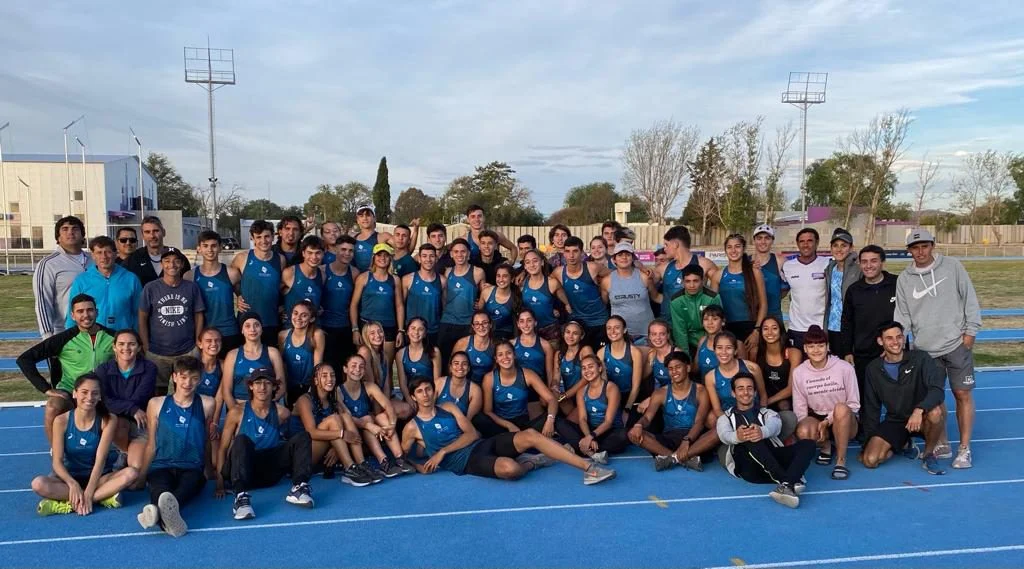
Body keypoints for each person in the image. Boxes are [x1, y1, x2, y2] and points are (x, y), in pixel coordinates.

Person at [401, 376, 616, 484]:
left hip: (480, 444)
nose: (426, 394)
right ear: (413, 397)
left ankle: (588, 468)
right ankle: (532, 462)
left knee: (531, 435)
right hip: (467, 463)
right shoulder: (412, 428)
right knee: (511, 470)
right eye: (420, 392)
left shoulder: (447, 407)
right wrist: (419, 466)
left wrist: (442, 451)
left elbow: (472, 434)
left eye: (428, 389)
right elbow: (402, 456)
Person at [895, 228, 981, 469]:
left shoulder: (953, 267)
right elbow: (902, 316)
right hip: (925, 350)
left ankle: (964, 449)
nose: (920, 251)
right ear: (909, 251)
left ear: (932, 245)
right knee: (936, 398)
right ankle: (942, 442)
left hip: (955, 344)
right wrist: (901, 343)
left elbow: (970, 299)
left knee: (962, 394)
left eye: (924, 246)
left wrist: (970, 334)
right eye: (915, 247)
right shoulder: (905, 279)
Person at [214, 368, 315, 520]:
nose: (262, 387)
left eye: (267, 383)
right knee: (241, 440)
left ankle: (299, 487)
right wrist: (220, 483)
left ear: (274, 387)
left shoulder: (282, 413)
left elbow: (292, 444)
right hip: (245, 470)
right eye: (258, 383)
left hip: (270, 472)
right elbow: (223, 449)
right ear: (250, 386)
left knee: (303, 436)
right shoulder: (236, 412)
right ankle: (241, 499)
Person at [31, 373, 138, 516]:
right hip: (69, 479)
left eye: (95, 393)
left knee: (131, 473)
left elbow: (100, 460)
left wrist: (89, 492)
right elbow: (57, 461)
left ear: (100, 397)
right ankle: (102, 497)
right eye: (84, 392)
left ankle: (72, 502)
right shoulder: (61, 421)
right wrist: (72, 483)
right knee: (38, 484)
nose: (89, 397)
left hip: (99, 478)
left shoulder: (108, 419)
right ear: (75, 393)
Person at [136, 356, 217, 537]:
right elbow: (151, 443)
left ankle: (155, 514)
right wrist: (142, 476)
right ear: (174, 377)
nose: (188, 383)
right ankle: (165, 516)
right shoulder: (156, 404)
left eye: (194, 378)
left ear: (200, 379)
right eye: (183, 377)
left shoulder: (208, 403)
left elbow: (206, 439)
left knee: (186, 489)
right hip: (161, 465)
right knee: (159, 489)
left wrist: (209, 470)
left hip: (191, 467)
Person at [18, 294, 115, 444]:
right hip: (70, 392)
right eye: (80, 311)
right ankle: (58, 453)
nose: (85, 315)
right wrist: (46, 389)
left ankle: (119, 449)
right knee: (52, 406)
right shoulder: (63, 339)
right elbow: (24, 359)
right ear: (73, 315)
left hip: (103, 394)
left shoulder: (113, 337)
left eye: (89, 310)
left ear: (97, 312)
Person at [860, 322, 948, 475]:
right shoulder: (873, 369)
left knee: (936, 412)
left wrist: (919, 410)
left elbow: (937, 390)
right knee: (870, 460)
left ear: (904, 338)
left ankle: (928, 455)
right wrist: (868, 441)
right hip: (896, 420)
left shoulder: (921, 358)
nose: (895, 342)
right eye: (889, 338)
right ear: (880, 341)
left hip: (922, 417)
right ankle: (904, 444)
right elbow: (871, 407)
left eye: (899, 337)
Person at [717, 373, 816, 509]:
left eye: (749, 388)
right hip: (749, 468)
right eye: (740, 388)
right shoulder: (725, 418)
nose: (745, 392)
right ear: (733, 393)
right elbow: (724, 435)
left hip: (772, 459)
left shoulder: (767, 413)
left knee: (808, 444)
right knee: (749, 435)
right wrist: (738, 436)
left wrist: (762, 432)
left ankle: (786, 485)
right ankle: (788, 480)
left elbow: (775, 425)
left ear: (755, 392)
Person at [792, 325, 861, 481]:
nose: (816, 350)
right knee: (803, 430)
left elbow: (854, 404)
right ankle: (826, 446)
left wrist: (827, 421)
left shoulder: (845, 368)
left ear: (828, 347)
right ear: (805, 348)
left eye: (820, 346)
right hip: (817, 416)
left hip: (844, 419)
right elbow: (800, 408)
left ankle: (841, 460)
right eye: (811, 346)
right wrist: (808, 428)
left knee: (841, 408)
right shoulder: (799, 373)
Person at [293, 363, 377, 487]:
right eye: (324, 376)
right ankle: (349, 469)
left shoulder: (333, 402)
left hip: (320, 452)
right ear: (316, 380)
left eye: (332, 376)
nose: (330, 379)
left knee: (345, 417)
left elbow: (345, 422)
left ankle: (361, 464)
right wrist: (341, 434)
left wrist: (336, 449)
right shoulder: (304, 400)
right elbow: (311, 432)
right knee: (333, 419)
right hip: (301, 456)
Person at [629, 351, 711, 471]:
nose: (674, 372)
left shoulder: (700, 390)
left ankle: (670, 458)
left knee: (718, 431)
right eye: (670, 369)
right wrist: (638, 424)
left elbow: (700, 422)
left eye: (678, 367)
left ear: (687, 368)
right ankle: (681, 458)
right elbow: (647, 417)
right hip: (669, 438)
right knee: (633, 434)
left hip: (693, 438)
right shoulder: (660, 393)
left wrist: (686, 440)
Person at [139, 249, 205, 396]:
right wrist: (145, 344)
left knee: (187, 391)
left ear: (181, 264)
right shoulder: (151, 288)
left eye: (176, 261)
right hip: (157, 351)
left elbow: (198, 314)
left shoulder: (191, 287)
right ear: (162, 264)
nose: (172, 265)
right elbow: (142, 317)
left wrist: (197, 341)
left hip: (187, 349)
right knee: (157, 392)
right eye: (167, 261)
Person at [338, 354, 416, 478]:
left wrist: (392, 424)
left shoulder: (369, 386)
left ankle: (399, 458)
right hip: (353, 433)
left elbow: (388, 405)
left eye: (361, 367)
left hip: (371, 431)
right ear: (345, 369)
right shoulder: (338, 391)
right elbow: (347, 417)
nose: (357, 369)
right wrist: (369, 425)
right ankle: (383, 461)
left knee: (382, 417)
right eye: (353, 366)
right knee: (367, 419)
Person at [838, 245, 899, 396]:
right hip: (864, 355)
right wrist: (847, 351)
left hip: (894, 351)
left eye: (873, 261)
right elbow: (847, 322)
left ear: (882, 262)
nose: (868, 265)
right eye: (864, 262)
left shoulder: (897, 284)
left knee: (898, 398)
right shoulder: (854, 290)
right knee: (867, 400)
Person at [95, 329, 157, 473]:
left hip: (139, 423)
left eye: (131, 344)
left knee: (137, 467)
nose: (126, 348)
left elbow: (140, 397)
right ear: (114, 347)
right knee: (118, 423)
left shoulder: (149, 368)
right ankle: (122, 451)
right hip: (114, 423)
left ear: (139, 347)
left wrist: (128, 407)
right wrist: (132, 409)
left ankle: (127, 452)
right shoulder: (103, 370)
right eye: (121, 344)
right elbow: (104, 400)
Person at [473, 340, 559, 439]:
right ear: (496, 359)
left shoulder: (527, 374)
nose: (505, 357)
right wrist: (508, 425)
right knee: (479, 419)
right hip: (501, 425)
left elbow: (551, 399)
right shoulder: (489, 378)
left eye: (508, 353)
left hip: (523, 423)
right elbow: (488, 411)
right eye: (500, 355)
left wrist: (550, 420)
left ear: (514, 355)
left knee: (556, 419)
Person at [556, 354, 629, 463]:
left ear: (599, 368)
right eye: (584, 368)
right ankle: (592, 452)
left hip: (609, 431)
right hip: (590, 431)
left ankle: (581, 448)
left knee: (623, 436)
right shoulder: (581, 391)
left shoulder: (611, 388)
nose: (587, 371)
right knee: (559, 423)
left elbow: (608, 422)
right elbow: (582, 419)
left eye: (590, 366)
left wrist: (591, 437)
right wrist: (588, 436)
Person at [351, 242, 406, 376]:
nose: (382, 258)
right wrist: (355, 329)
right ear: (374, 258)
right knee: (366, 365)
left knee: (385, 366)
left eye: (386, 255)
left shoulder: (395, 280)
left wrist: (400, 330)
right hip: (367, 326)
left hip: (388, 326)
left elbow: (399, 305)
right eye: (379, 255)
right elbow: (353, 305)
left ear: (390, 259)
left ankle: (387, 393)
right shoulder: (364, 278)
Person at [66, 236, 141, 332]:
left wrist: (136, 337)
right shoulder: (81, 280)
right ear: (92, 255)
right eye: (99, 252)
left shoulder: (131, 279)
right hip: (91, 338)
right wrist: (69, 338)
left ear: (115, 254)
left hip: (122, 339)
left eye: (108, 252)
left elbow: (138, 313)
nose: (104, 257)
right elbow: (71, 312)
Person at [34, 216, 92, 338]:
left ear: (82, 235)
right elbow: (43, 302)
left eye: (75, 229)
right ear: (58, 237)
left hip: (96, 330)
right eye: (65, 229)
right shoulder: (48, 264)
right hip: (63, 331)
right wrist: (48, 336)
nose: (70, 232)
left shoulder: (95, 260)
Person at [186, 230, 241, 355]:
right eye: (205, 246)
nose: (210, 250)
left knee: (229, 370)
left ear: (220, 248)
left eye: (214, 245)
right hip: (204, 334)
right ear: (198, 249)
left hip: (229, 332)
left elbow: (243, 298)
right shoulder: (190, 276)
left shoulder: (231, 273)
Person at [710, 234, 767, 355]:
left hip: (750, 328)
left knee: (749, 368)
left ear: (743, 248)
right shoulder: (718, 275)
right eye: (729, 247)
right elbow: (713, 308)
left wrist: (756, 331)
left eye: (737, 246)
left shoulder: (754, 272)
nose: (733, 250)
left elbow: (763, 304)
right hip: (727, 328)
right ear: (725, 250)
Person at [233, 220, 286, 347]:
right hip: (246, 321)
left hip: (270, 320)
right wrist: (239, 295)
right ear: (252, 239)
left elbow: (284, 286)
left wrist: (283, 305)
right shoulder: (242, 258)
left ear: (273, 237)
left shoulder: (280, 259)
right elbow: (231, 280)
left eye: (267, 236)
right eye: (259, 237)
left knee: (269, 359)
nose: (263, 241)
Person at [704, 331, 768, 431]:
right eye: (719, 348)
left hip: (753, 412)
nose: (724, 352)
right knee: (711, 418)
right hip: (729, 416)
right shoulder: (710, 377)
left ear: (735, 351)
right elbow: (717, 409)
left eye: (728, 348)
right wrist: (732, 423)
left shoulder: (752, 368)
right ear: (714, 350)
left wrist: (762, 415)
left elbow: (763, 395)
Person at [221, 312, 286, 409]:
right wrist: (236, 413)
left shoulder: (272, 353)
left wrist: (264, 407)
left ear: (261, 329)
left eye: (256, 325)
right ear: (242, 330)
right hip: (238, 406)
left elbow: (281, 386)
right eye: (247, 326)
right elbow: (226, 391)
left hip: (265, 407)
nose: (252, 329)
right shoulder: (232, 355)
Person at [438, 238, 485, 370]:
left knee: (465, 361)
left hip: (467, 324)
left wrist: (479, 304)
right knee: (445, 360)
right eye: (456, 252)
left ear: (469, 254)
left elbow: (484, 296)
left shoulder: (478, 272)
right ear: (451, 254)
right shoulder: (448, 272)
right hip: (448, 322)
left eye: (463, 251)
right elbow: (444, 297)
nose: (460, 255)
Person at [656, 226, 718, 321]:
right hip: (668, 326)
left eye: (666, 245)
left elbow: (720, 289)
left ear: (675, 244)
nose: (664, 249)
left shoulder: (703, 264)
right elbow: (644, 279)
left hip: (693, 325)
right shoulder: (664, 268)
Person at [782, 228, 830, 351]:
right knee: (796, 367)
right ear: (797, 243)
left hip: (821, 327)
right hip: (796, 328)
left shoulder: (828, 264)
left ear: (817, 243)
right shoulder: (788, 266)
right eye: (802, 241)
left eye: (810, 241)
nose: (806, 244)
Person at [557, 236, 609, 350]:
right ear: (563, 253)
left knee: (601, 358)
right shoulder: (559, 272)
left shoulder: (593, 268)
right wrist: (564, 303)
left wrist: (603, 291)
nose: (571, 255)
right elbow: (548, 286)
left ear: (582, 253)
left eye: (575, 251)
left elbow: (615, 275)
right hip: (577, 324)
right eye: (567, 251)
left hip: (599, 321)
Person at [356, 321, 414, 420]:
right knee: (400, 411)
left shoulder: (384, 355)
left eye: (380, 331)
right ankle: (377, 418)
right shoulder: (365, 352)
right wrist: (380, 410)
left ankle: (380, 418)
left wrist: (386, 406)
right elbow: (372, 387)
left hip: (381, 399)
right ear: (366, 336)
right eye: (372, 333)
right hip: (367, 401)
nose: (377, 335)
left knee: (408, 409)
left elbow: (387, 385)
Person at [602, 242, 657, 345]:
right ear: (614, 259)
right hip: (620, 335)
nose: (624, 257)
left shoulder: (644, 276)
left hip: (646, 334)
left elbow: (656, 297)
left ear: (632, 258)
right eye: (620, 255)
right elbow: (604, 304)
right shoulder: (607, 281)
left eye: (627, 254)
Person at [320, 234, 359, 371]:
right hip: (325, 328)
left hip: (346, 328)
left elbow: (356, 303)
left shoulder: (354, 273)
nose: (347, 254)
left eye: (350, 251)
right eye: (343, 249)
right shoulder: (323, 271)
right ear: (336, 249)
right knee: (328, 368)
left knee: (346, 369)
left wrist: (355, 329)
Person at [596, 315, 644, 424]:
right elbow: (604, 384)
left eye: (617, 327)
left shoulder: (634, 352)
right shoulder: (601, 353)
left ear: (624, 330)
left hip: (631, 398)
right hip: (611, 397)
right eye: (609, 328)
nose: (612, 331)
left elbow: (636, 387)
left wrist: (627, 409)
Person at [279, 300, 326, 407]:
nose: (298, 318)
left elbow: (317, 366)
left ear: (312, 318)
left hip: (308, 386)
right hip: (290, 387)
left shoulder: (317, 335)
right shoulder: (283, 336)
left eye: (304, 315)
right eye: (295, 313)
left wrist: (312, 391)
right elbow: (283, 366)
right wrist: (284, 390)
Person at [753, 316, 802, 417]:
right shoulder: (755, 352)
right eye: (765, 329)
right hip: (763, 396)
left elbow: (791, 388)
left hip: (785, 398)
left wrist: (767, 402)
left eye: (774, 328)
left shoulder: (793, 353)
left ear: (781, 331)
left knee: (784, 405)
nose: (770, 332)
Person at [520, 249, 571, 343]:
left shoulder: (552, 283)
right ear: (525, 266)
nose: (532, 265)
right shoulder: (522, 284)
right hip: (530, 331)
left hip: (550, 330)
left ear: (542, 262)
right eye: (528, 262)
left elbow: (566, 303)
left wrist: (557, 309)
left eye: (535, 261)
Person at [670, 265, 722, 355]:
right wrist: (685, 358)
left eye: (696, 281)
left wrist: (710, 346)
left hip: (710, 341)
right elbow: (680, 331)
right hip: (688, 343)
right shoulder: (676, 301)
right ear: (682, 282)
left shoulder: (713, 298)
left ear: (702, 281)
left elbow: (718, 326)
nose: (692, 285)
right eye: (688, 281)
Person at [823, 228, 862, 347]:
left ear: (851, 247)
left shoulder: (859, 269)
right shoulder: (830, 269)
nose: (839, 249)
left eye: (843, 245)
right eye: (835, 245)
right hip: (832, 327)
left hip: (852, 329)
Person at [125, 216, 190, 287]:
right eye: (147, 232)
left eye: (156, 231)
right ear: (142, 236)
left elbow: (187, 286)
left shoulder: (178, 258)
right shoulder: (133, 260)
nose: (152, 236)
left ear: (164, 232)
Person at [403, 243, 445, 347]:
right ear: (419, 259)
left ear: (436, 258)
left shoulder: (443, 280)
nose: (428, 259)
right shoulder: (408, 279)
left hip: (433, 331)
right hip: (412, 331)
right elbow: (400, 306)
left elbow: (444, 307)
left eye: (431, 256)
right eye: (424, 256)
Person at [512, 309, 556, 401]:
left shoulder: (545, 345)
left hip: (538, 388)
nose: (525, 325)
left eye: (529, 320)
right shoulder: (512, 344)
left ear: (535, 322)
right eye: (522, 321)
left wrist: (549, 391)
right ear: (518, 324)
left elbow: (549, 371)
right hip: (517, 388)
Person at [396, 317, 441, 406]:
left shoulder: (434, 352)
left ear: (425, 333)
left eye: (420, 329)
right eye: (413, 328)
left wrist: (431, 402)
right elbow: (402, 382)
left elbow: (437, 381)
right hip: (411, 396)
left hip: (429, 396)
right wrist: (409, 400)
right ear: (407, 331)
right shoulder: (400, 354)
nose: (416, 332)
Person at [281, 235, 326, 325]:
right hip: (292, 329)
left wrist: (319, 309)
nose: (314, 257)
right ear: (303, 253)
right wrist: (280, 310)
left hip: (313, 328)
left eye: (318, 253)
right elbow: (274, 294)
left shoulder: (323, 275)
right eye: (310, 253)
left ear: (323, 254)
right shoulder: (290, 273)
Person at [554, 321, 595, 420]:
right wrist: (554, 388)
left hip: (585, 395)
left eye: (575, 333)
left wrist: (565, 395)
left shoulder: (585, 350)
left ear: (581, 336)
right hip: (568, 395)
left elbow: (587, 378)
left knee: (571, 422)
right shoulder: (559, 354)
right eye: (568, 332)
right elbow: (556, 377)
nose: (570, 336)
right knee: (545, 400)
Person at [751, 224, 789, 321]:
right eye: (759, 238)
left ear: (772, 240)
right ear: (754, 240)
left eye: (767, 238)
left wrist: (773, 299)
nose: (763, 242)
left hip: (774, 316)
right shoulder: (746, 262)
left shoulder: (781, 261)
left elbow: (785, 289)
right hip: (751, 316)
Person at [435, 351, 483, 419]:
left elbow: (468, 420)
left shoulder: (475, 390)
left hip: (459, 427)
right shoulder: (439, 383)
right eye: (456, 363)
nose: (460, 367)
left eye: (464, 364)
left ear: (469, 368)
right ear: (450, 367)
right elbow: (428, 410)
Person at [453, 310, 497, 385]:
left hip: (486, 385)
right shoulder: (462, 343)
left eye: (485, 323)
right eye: (477, 324)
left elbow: (496, 372)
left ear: (490, 325)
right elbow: (451, 367)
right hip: (465, 384)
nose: (481, 326)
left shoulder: (495, 345)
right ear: (473, 326)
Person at [196, 328, 225, 433]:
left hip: (214, 410)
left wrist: (214, 422)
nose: (214, 343)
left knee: (214, 440)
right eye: (208, 341)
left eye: (217, 340)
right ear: (200, 344)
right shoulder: (193, 365)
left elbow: (220, 396)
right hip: (193, 409)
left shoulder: (223, 365)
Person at [480, 264, 519, 341]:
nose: (501, 279)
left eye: (505, 276)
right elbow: (479, 314)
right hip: (487, 333)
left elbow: (517, 322)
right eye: (498, 276)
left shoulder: (516, 296)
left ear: (512, 279)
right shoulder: (486, 292)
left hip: (506, 335)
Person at [352, 205, 393, 272]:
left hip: (376, 280)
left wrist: (415, 230)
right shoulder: (352, 239)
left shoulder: (383, 237)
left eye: (368, 215)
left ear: (374, 218)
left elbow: (404, 250)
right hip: (357, 280)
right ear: (357, 220)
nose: (365, 218)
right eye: (361, 216)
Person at [695, 305, 727, 378]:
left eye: (715, 319)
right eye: (706, 319)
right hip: (704, 387)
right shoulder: (702, 341)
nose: (710, 323)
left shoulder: (735, 343)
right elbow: (695, 369)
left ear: (723, 322)